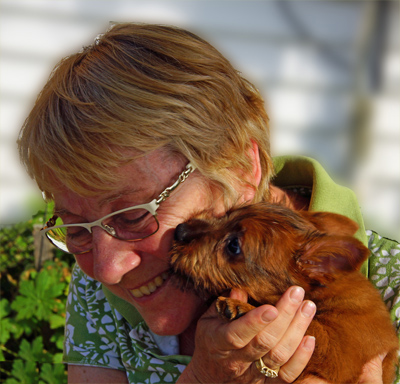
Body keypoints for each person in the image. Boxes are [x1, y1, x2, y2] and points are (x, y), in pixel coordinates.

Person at [18, 22, 399, 384]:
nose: (106, 269)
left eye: (134, 215)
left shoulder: (391, 288)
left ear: (241, 167)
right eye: (76, 228)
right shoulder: (98, 286)